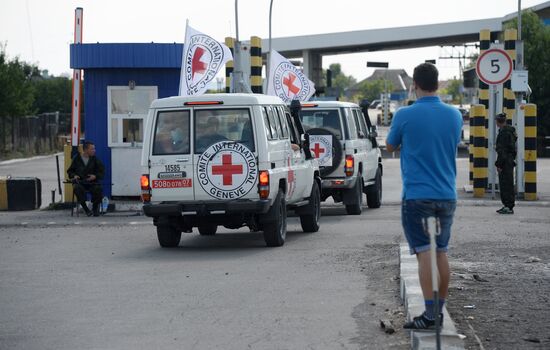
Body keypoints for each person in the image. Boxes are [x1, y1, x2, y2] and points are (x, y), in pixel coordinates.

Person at [386, 63, 462, 330]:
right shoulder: (454, 115)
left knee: (423, 252)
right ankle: (438, 311)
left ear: (414, 84)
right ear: (437, 82)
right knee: (441, 252)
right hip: (446, 195)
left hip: (418, 197)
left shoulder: (405, 114)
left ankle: (429, 315)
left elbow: (390, 145)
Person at [67, 141, 105, 217]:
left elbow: (102, 171)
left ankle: (95, 209)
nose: (94, 150)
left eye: (94, 149)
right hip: (80, 182)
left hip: (92, 182)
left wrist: (95, 176)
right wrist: (74, 176)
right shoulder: (77, 158)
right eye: (92, 149)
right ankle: (86, 209)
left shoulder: (95, 159)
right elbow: (70, 171)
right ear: (86, 150)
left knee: (98, 189)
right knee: (77, 188)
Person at [495, 113, 517, 214]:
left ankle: (508, 206)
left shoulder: (504, 133)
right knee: (509, 183)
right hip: (510, 160)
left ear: (498, 122)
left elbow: (502, 150)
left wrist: (499, 164)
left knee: (505, 184)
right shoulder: (511, 131)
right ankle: (508, 205)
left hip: (505, 161)